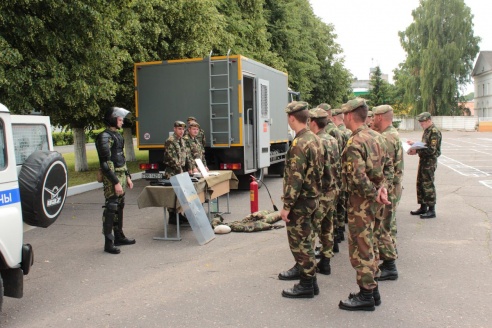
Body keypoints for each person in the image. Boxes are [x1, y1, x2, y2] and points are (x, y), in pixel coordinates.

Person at [338, 98, 392, 311]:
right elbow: (388, 167)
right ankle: (374, 291)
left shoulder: (355, 142)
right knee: (372, 245)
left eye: (344, 114)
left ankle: (366, 295)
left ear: (350, 115)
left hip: (361, 204)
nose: (343, 117)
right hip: (376, 201)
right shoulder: (378, 137)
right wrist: (382, 189)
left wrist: (374, 193)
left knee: (362, 249)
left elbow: (358, 178)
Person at [278, 101, 324, 299]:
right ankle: (311, 282)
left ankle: (306, 284)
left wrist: (287, 206)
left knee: (300, 243)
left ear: (291, 118)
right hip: (314, 198)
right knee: (308, 240)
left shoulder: (299, 144)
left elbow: (294, 179)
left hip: (301, 202)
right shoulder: (315, 139)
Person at [95, 107, 135, 255]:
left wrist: (128, 176)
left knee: (120, 206)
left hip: (121, 174)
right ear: (112, 119)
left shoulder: (117, 135)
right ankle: (108, 242)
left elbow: (120, 157)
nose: (122, 121)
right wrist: (115, 182)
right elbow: (105, 163)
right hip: (112, 177)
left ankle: (119, 236)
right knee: (111, 207)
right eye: (119, 119)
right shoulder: (104, 137)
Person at [372, 105, 404, 280]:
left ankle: (390, 265)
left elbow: (387, 169)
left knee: (383, 226)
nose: (372, 119)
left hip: (388, 188)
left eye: (375, 116)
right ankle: (388, 260)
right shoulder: (392, 134)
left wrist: (382, 189)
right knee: (387, 225)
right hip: (392, 187)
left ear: (380, 117)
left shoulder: (386, 138)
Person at [308, 107, 339, 275]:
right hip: (333, 191)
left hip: (320, 192)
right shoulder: (332, 139)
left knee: (311, 229)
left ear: (313, 123)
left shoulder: (315, 141)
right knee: (327, 227)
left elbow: (315, 170)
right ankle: (325, 263)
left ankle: (308, 268)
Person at [319, 104, 345, 248]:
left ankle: (334, 237)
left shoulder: (329, 132)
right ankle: (337, 235)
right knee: (334, 210)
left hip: (329, 179)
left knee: (330, 214)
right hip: (336, 176)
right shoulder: (335, 131)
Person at [407, 112, 442, 219]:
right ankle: (423, 206)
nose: (421, 124)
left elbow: (432, 150)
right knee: (421, 183)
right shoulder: (427, 130)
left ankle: (431, 210)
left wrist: (417, 151)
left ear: (428, 120)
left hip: (429, 162)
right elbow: (425, 145)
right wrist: (415, 144)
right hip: (424, 161)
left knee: (428, 184)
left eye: (422, 122)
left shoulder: (434, 131)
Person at [163, 120, 195, 224]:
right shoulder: (170, 141)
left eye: (183, 129)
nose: (181, 131)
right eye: (179, 129)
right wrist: (180, 170)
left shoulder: (181, 140)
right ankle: (172, 216)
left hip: (181, 172)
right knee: (173, 195)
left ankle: (179, 214)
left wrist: (189, 168)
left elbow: (187, 156)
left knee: (180, 195)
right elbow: (172, 158)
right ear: (174, 129)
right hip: (172, 172)